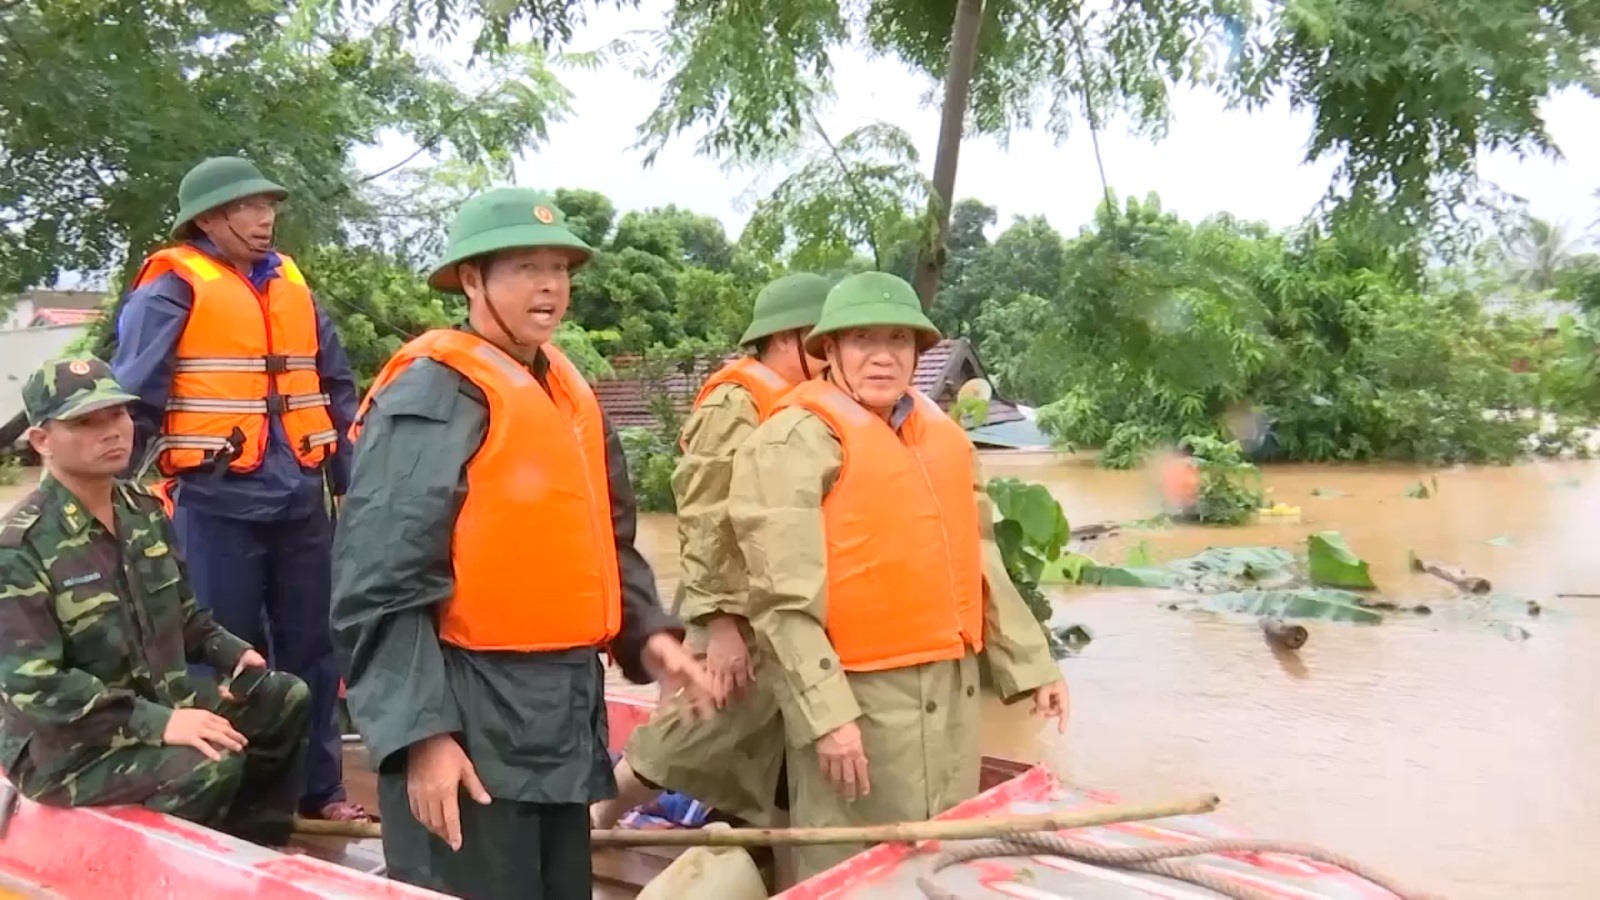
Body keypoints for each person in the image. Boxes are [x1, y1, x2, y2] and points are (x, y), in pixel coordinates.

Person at [331, 187, 717, 900]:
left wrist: (650, 635)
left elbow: (608, 539)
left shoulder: (569, 394)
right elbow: (379, 581)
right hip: (470, 715)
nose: (549, 286)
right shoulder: (432, 396)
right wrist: (421, 739)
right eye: (524, 269)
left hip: (563, 715)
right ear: (472, 280)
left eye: (561, 269)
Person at [728, 271, 1072, 880]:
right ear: (830, 350)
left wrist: (1032, 662)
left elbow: (979, 557)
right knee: (857, 867)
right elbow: (781, 602)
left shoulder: (942, 436)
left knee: (946, 856)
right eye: (862, 339)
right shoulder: (794, 439)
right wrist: (829, 717)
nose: (883, 356)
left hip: (952, 690)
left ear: (919, 352)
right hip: (860, 699)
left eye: (899, 340)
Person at [110, 156, 368, 824]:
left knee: (314, 645)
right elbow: (133, 397)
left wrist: (352, 483)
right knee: (226, 651)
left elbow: (334, 388)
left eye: (268, 206)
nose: (264, 220)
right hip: (214, 500)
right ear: (208, 219)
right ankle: (231, 793)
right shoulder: (170, 289)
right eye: (247, 208)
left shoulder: (293, 288)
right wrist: (113, 502)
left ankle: (321, 789)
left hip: (300, 498)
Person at [0, 357, 312, 846]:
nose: (112, 432)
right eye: (86, 421)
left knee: (282, 697)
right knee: (210, 765)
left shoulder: (142, 512)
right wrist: (163, 723)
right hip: (68, 749)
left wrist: (232, 656)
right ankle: (158, 867)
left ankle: (250, 846)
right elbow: (38, 689)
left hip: (162, 707)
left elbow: (186, 616)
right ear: (42, 441)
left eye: (117, 415)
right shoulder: (18, 547)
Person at [591, 272, 830, 832]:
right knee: (701, 721)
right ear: (784, 337)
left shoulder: (811, 405)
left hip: (783, 601)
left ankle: (773, 857)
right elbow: (703, 514)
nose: (829, 352)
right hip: (730, 599)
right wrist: (721, 622)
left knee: (778, 732)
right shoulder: (737, 402)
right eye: (818, 338)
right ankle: (599, 815)